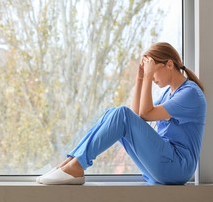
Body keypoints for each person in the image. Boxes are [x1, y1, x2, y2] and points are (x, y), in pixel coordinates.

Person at [37, 42, 207, 185]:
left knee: (121, 114)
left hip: (177, 167)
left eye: (153, 71)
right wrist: (140, 79)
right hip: (167, 163)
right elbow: (137, 117)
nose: (152, 77)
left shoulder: (190, 93)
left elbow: (145, 114)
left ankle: (76, 166)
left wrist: (147, 77)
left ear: (169, 65)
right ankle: (71, 162)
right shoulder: (169, 93)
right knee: (113, 113)